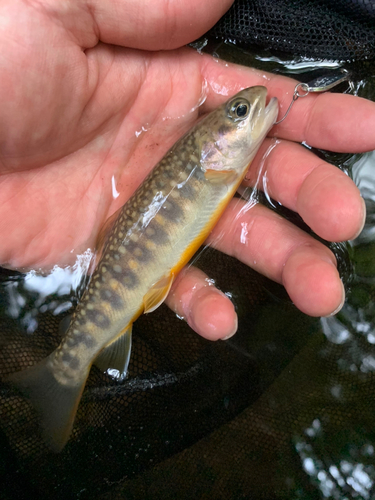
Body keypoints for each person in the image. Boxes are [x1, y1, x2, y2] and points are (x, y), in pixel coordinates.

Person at [0, 0, 372, 341]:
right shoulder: (216, 169)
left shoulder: (216, 167)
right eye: (240, 111)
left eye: (239, 110)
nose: (253, 103)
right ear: (209, 149)